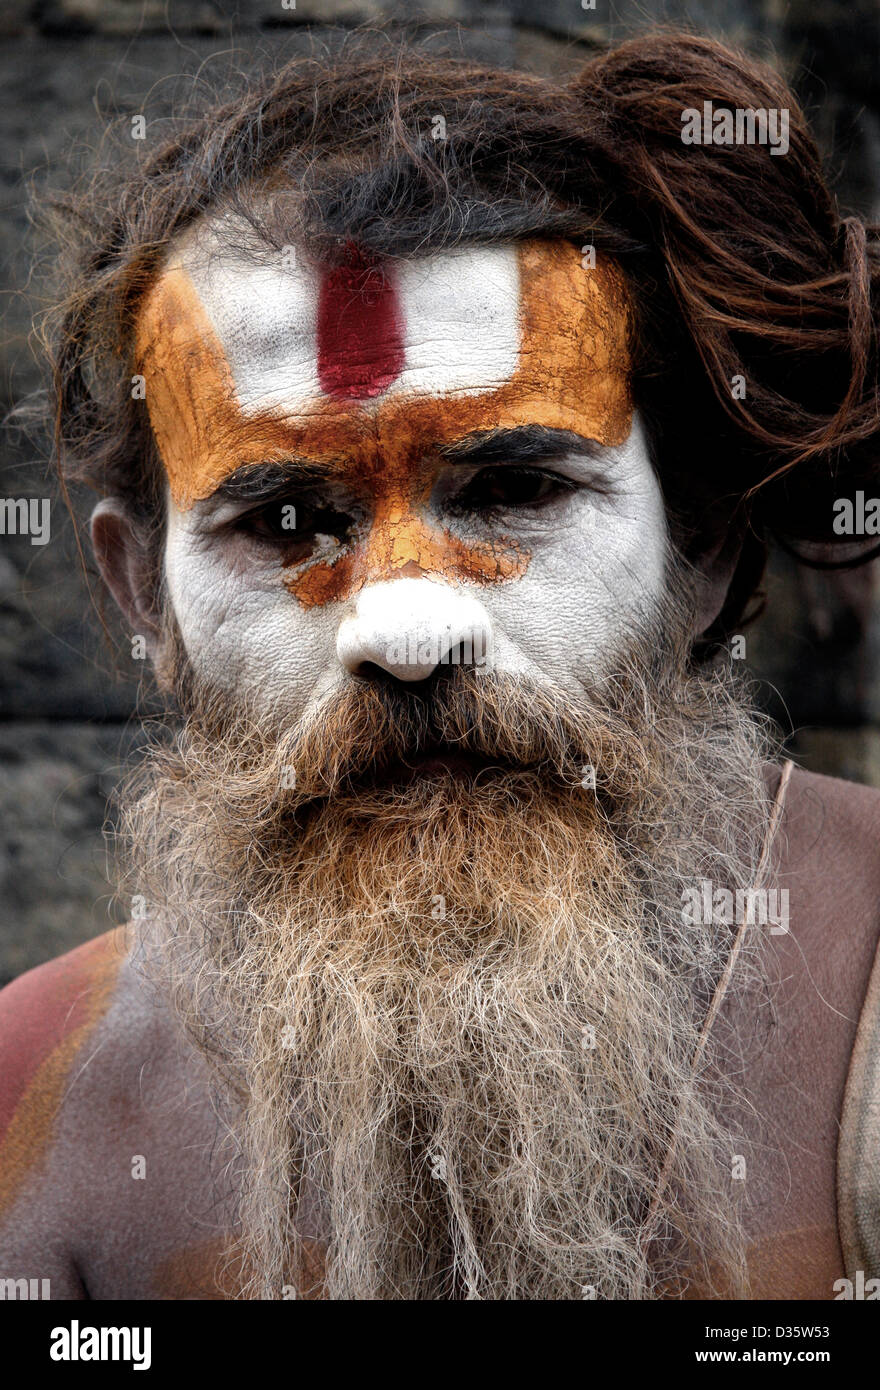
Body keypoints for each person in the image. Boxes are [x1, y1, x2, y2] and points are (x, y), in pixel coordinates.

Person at [1, 32, 878, 1300]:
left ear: (697, 543)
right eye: (289, 522)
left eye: (515, 489)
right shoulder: (37, 1096)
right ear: (144, 593)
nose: (406, 631)